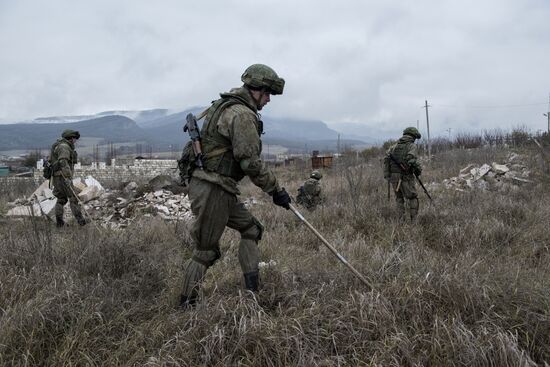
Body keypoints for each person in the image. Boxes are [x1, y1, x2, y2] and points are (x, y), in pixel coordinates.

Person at [179, 64, 291, 307]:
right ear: (257, 89)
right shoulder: (241, 114)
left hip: (222, 188)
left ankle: (252, 294)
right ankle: (185, 307)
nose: (269, 99)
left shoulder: (226, 106)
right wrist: (276, 190)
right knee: (205, 251)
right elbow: (250, 162)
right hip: (213, 188)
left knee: (252, 230)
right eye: (267, 93)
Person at [383, 127, 423, 221]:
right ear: (413, 136)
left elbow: (386, 160)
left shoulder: (393, 147)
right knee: (412, 197)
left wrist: (388, 176)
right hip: (405, 176)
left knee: (399, 198)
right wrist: (418, 171)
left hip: (394, 177)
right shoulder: (411, 146)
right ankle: (414, 221)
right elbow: (411, 160)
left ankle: (401, 220)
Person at [49, 129, 86, 227]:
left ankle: (59, 223)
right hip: (63, 177)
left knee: (61, 199)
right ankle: (81, 221)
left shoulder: (59, 145)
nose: (75, 141)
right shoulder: (64, 147)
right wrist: (68, 177)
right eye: (74, 139)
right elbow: (63, 162)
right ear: (71, 138)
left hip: (57, 177)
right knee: (73, 198)